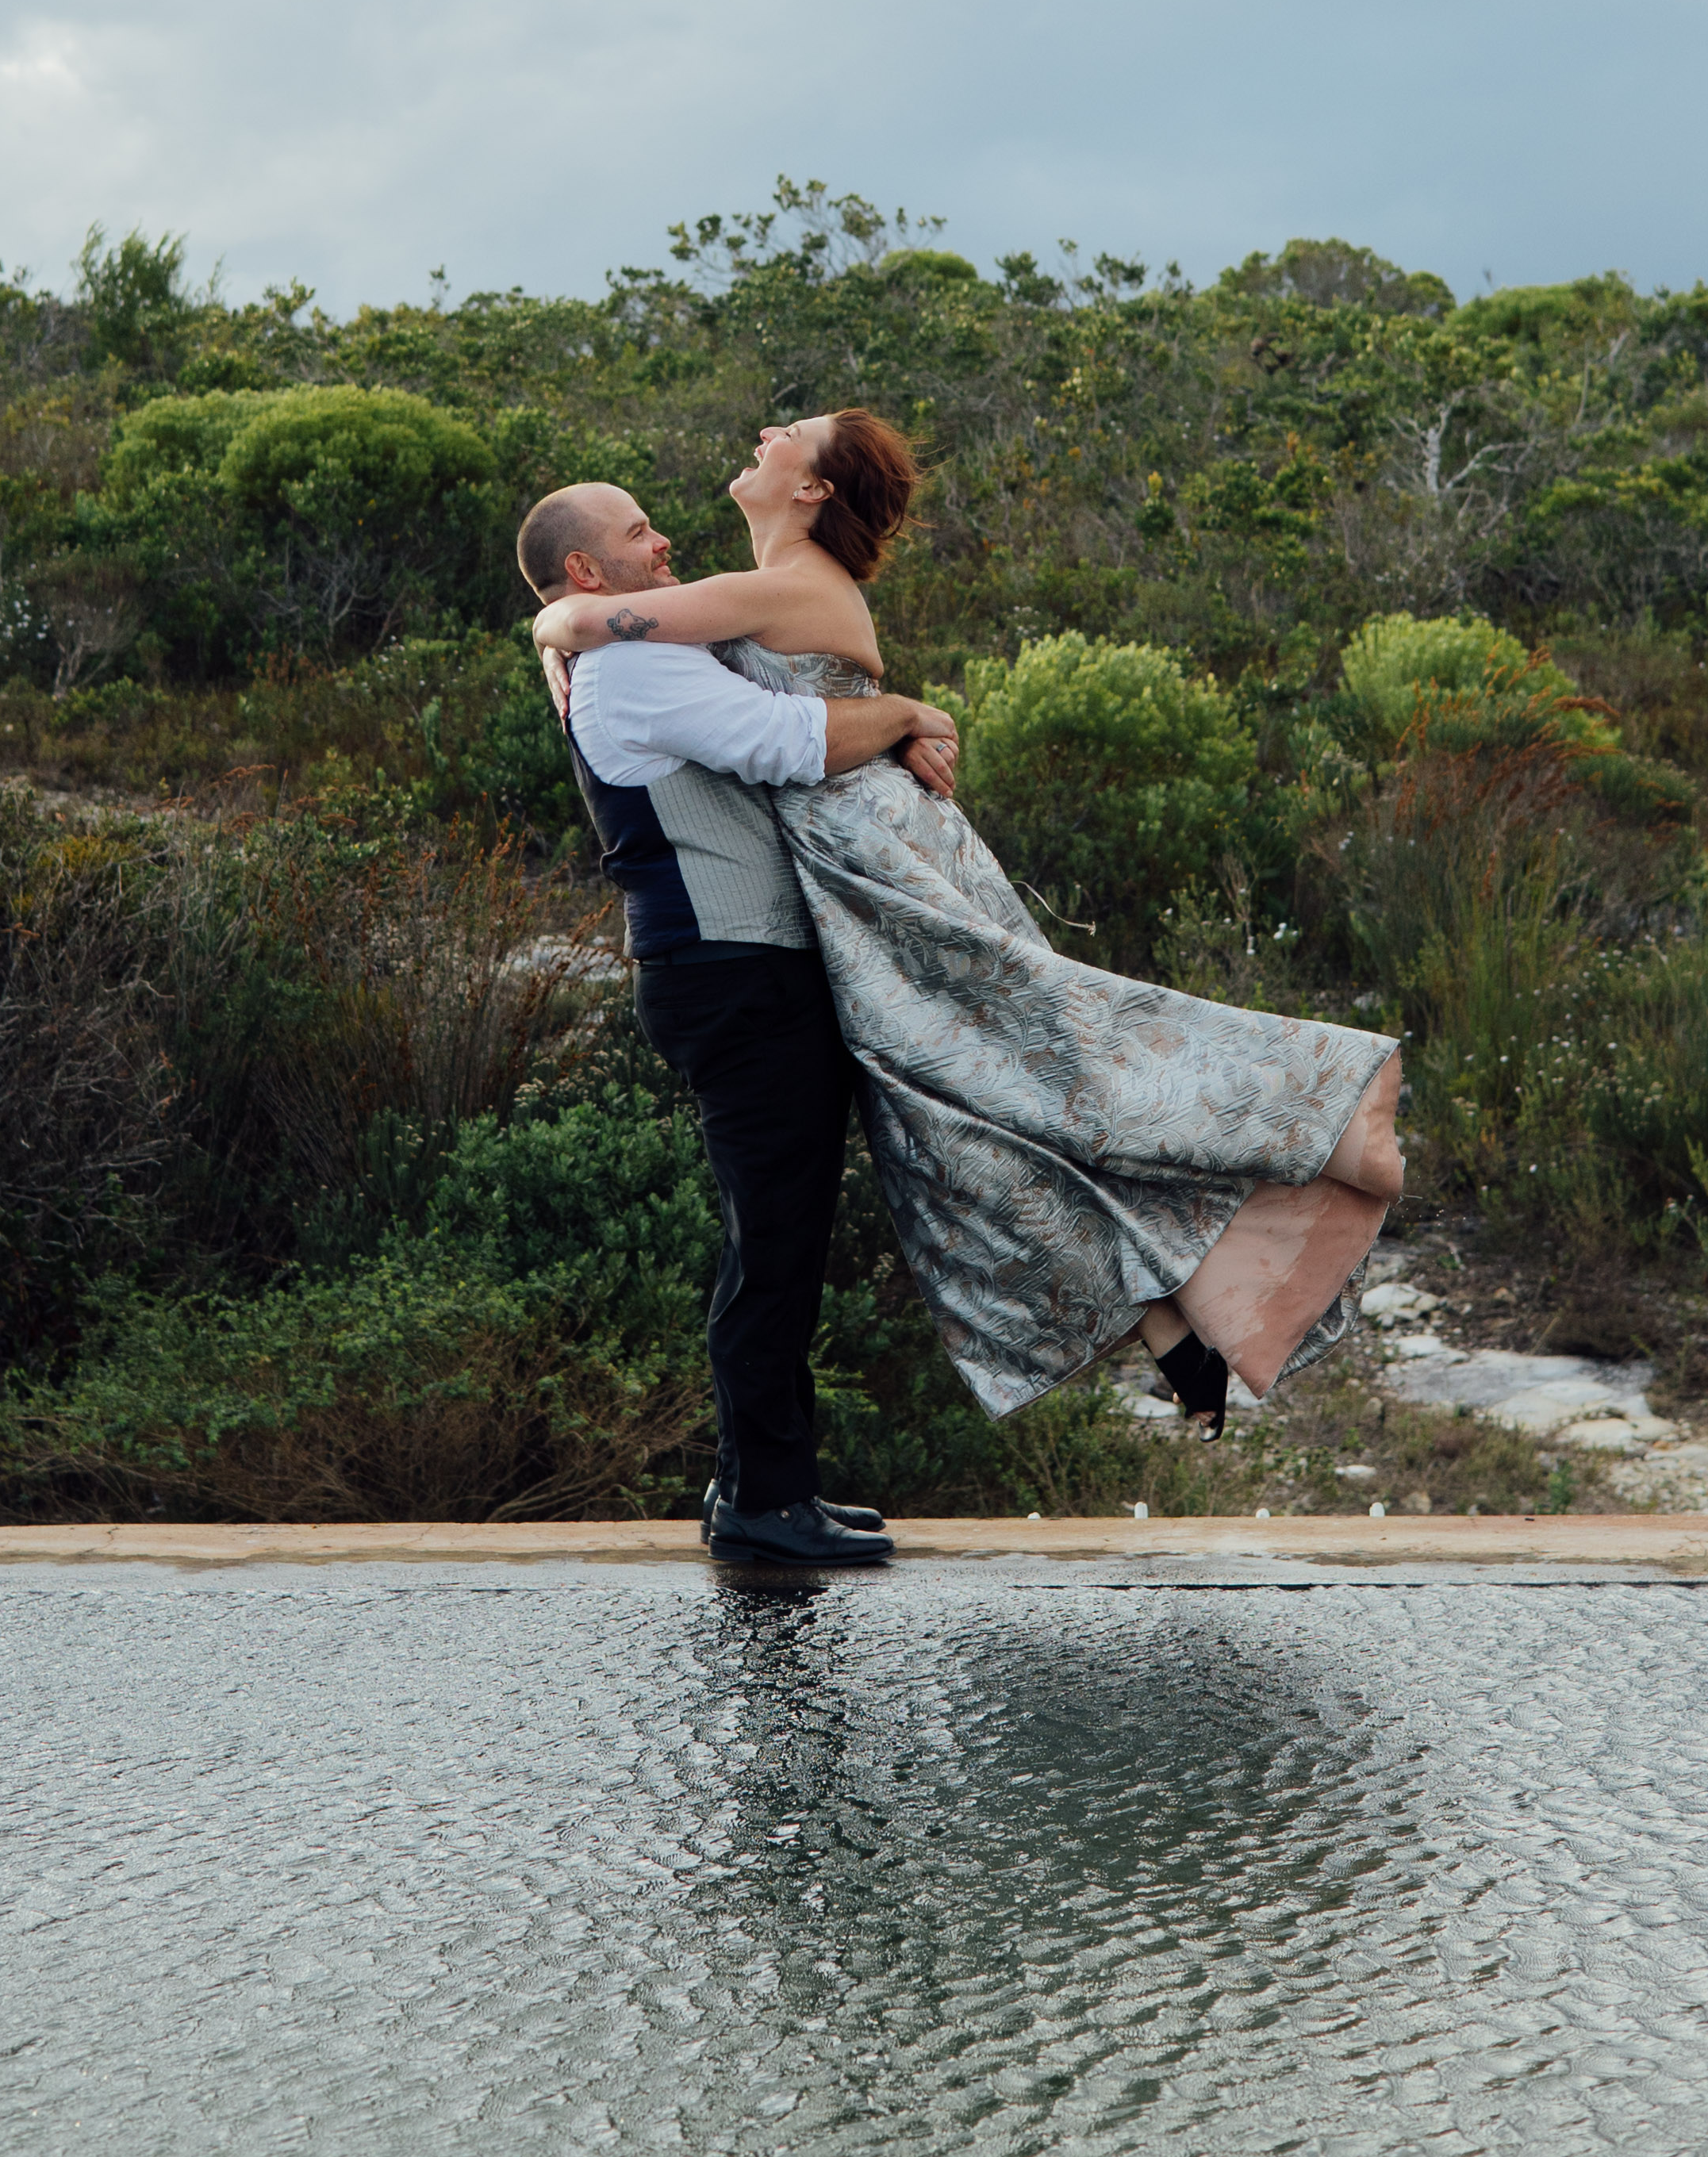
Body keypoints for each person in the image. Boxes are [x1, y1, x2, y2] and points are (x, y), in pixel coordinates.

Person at [532, 409, 1405, 1443]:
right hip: (859, 874)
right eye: (636, 531)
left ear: (812, 490)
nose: (766, 430)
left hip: (885, 866)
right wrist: (898, 717)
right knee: (975, 1105)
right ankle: (1173, 1321)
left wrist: (552, 626)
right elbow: (617, 625)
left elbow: (591, 620)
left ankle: (1310, 1123)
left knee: (1029, 1074)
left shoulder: (780, 585)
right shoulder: (760, 590)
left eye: (791, 432)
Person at [515, 475, 963, 1570]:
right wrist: (906, 715)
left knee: (779, 1236)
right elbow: (786, 739)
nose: (662, 540)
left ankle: (762, 1484)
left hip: (736, 972)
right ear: (586, 570)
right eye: (638, 533)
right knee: (772, 1243)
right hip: (731, 974)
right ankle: (764, 1498)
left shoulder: (624, 647)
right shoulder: (630, 668)